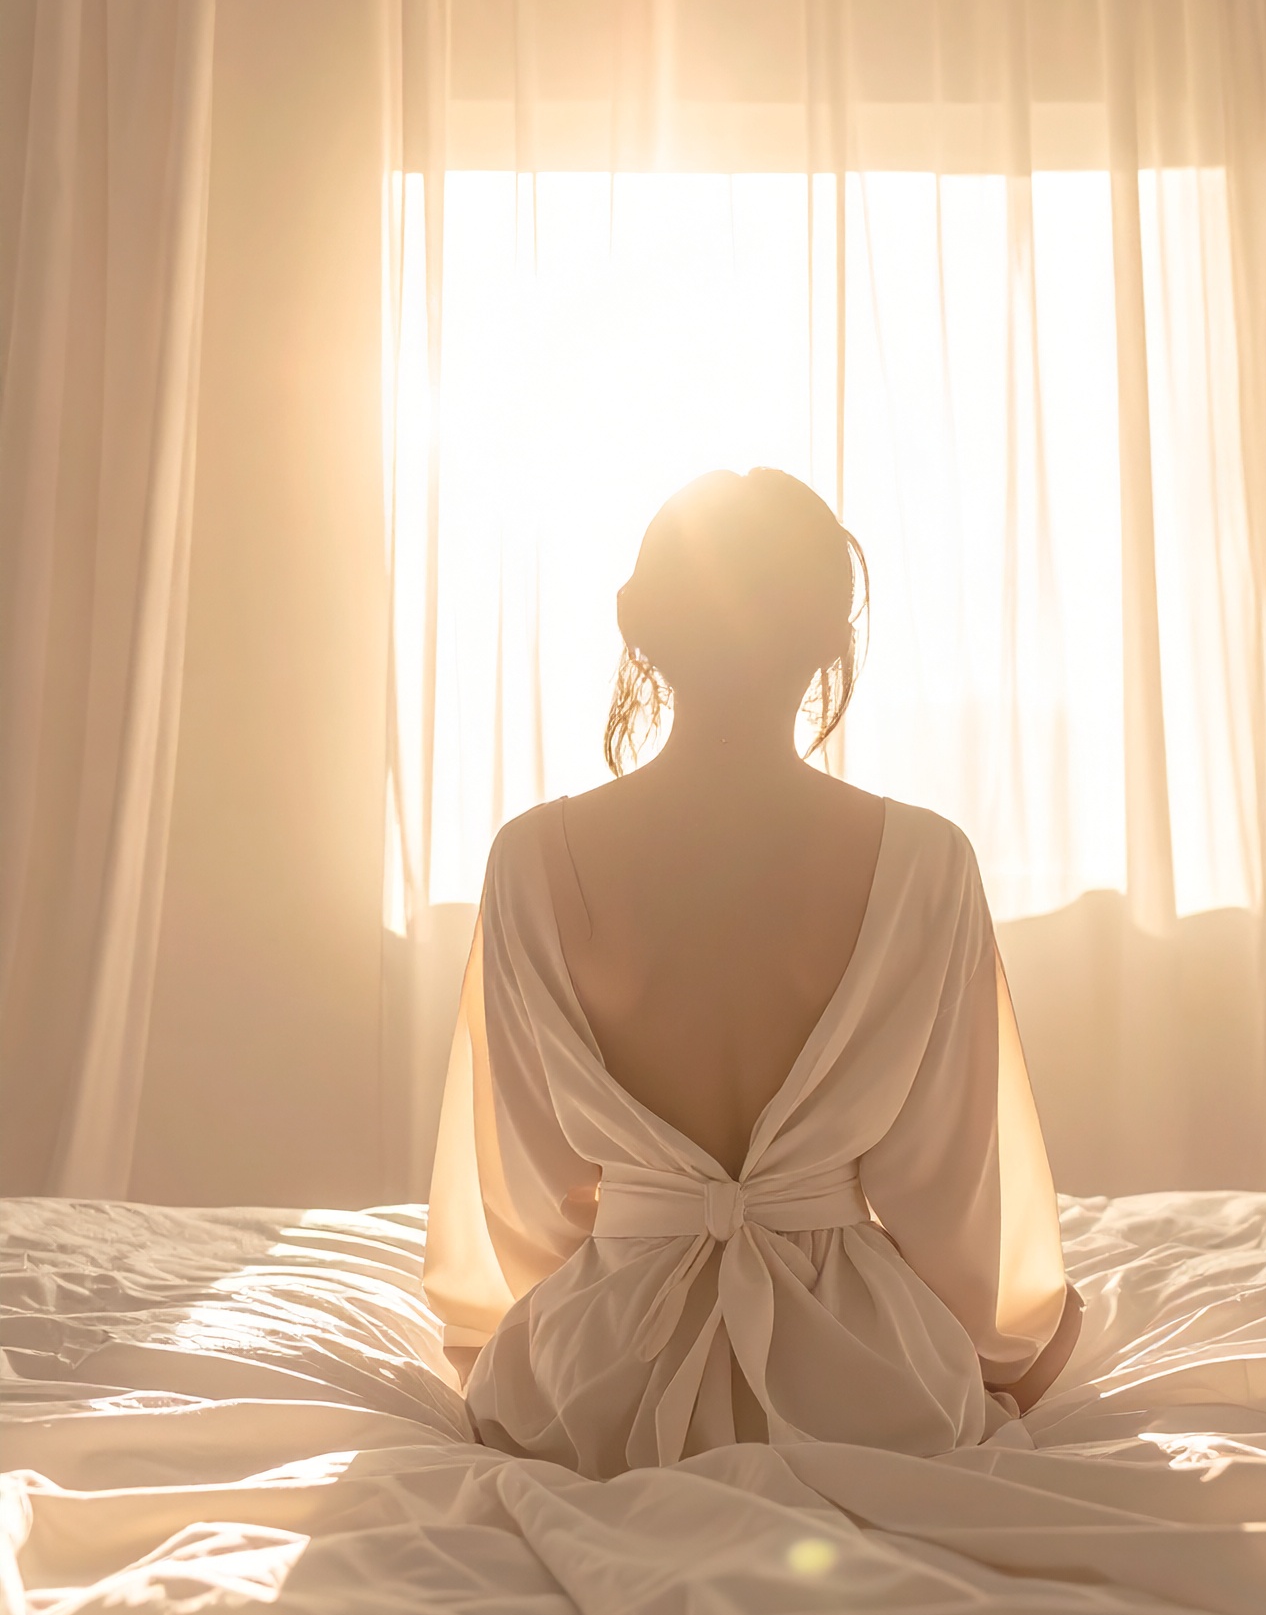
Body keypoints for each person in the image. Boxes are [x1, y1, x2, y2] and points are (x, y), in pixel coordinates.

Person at [424, 467, 1081, 1474]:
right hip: (860, 1391)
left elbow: (515, 1191)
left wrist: (527, 1338)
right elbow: (950, 1190)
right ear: (832, 639)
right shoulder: (925, 860)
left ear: (635, 625)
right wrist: (1012, 1346)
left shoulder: (531, 857)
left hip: (598, 1387)